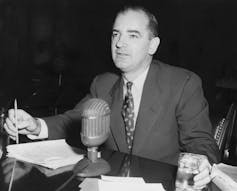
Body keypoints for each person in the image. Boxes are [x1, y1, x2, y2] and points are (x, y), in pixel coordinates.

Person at [4, 5, 220, 190]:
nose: (119, 43)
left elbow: (201, 143)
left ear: (153, 45)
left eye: (132, 35)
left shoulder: (183, 83)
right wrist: (35, 125)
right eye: (116, 34)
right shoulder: (103, 82)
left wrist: (203, 162)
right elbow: (74, 120)